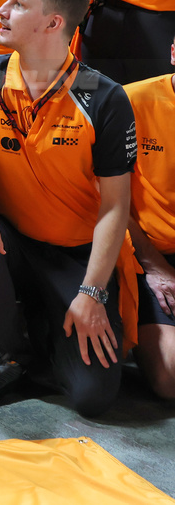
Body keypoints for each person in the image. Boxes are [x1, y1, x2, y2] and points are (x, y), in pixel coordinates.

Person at [0, 0, 136, 416]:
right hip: (11, 241)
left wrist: (92, 293)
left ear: (54, 22)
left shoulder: (103, 96)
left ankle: (43, 326)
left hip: (76, 255)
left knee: (93, 397)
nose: (1, 9)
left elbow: (115, 208)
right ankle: (7, 353)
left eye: (17, 3)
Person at [123, 35, 175, 399]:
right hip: (145, 252)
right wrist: (154, 265)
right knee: (171, 380)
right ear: (173, 50)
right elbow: (106, 200)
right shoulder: (129, 100)